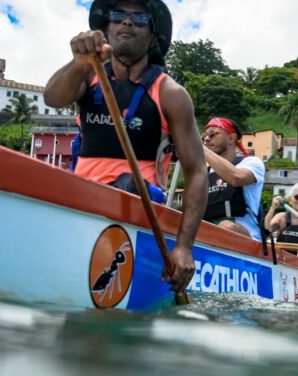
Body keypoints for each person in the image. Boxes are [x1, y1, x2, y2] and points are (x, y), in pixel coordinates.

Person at [43, 0, 208, 294]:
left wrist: (183, 248)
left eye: (139, 18)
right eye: (118, 15)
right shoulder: (88, 75)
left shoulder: (170, 93)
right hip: (82, 195)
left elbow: (196, 172)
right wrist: (79, 61)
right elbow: (52, 98)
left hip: (140, 201)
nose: (127, 22)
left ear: (153, 37)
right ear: (106, 30)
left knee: (127, 184)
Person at [202, 117, 265, 240]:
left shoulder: (252, 163)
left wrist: (201, 149)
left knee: (226, 227)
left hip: (247, 239)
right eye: (204, 136)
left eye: (212, 134)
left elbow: (236, 178)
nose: (207, 139)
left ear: (231, 138)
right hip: (210, 234)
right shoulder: (204, 173)